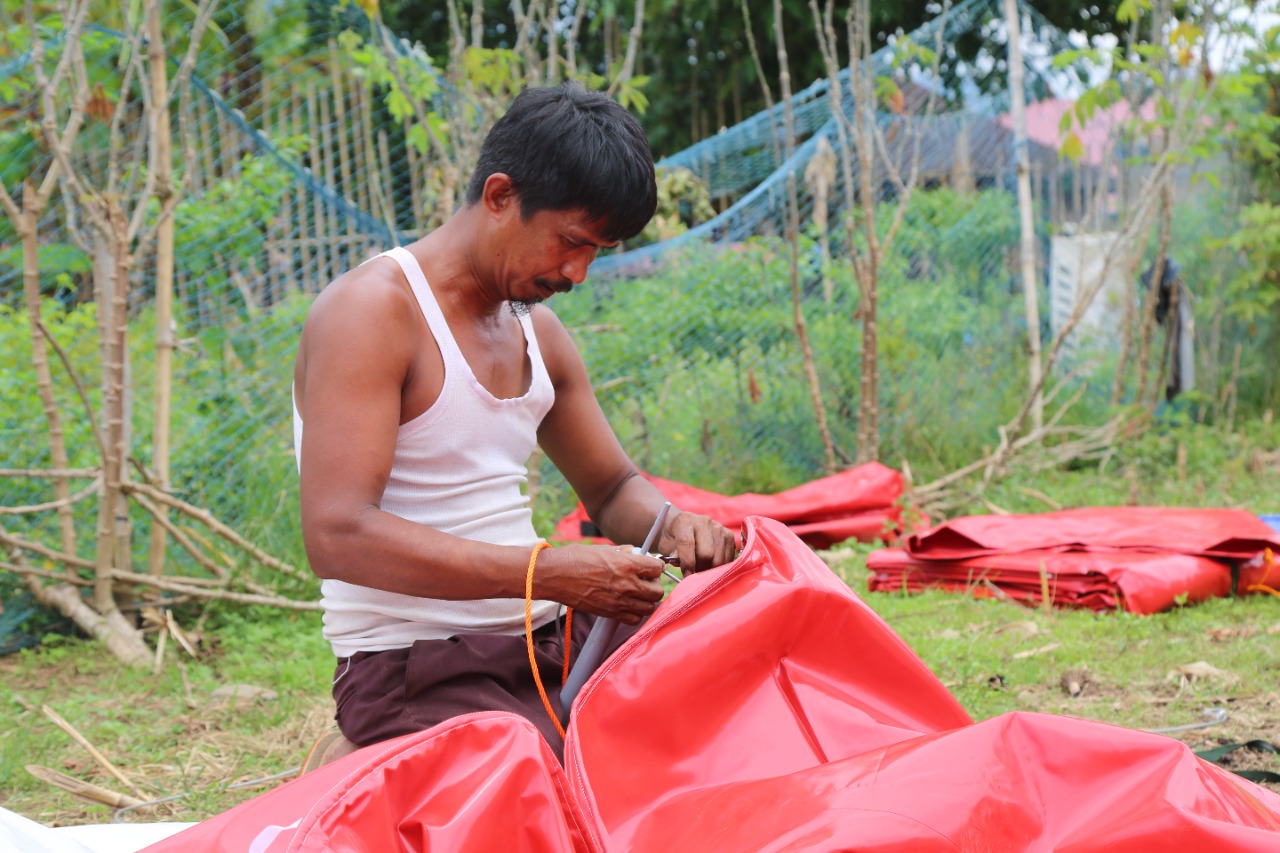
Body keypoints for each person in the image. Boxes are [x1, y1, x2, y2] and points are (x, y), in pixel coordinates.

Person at [292, 82, 738, 761]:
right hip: (420, 665)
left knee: (732, 694)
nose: (579, 272)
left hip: (552, 636)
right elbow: (337, 532)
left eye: (597, 251)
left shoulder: (541, 335)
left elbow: (614, 488)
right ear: (500, 196)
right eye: (570, 242)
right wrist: (547, 572)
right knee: (540, 785)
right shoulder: (373, 312)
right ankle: (357, 759)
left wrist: (672, 527)